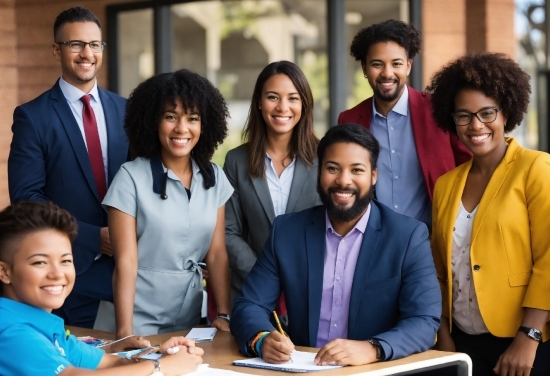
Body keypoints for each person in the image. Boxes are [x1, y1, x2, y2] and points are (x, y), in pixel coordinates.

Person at [230, 124, 441, 366]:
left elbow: (424, 321)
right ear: (320, 172)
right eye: (333, 168)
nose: (343, 180)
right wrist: (262, 339)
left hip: (374, 371)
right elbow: (249, 305)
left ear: (373, 176)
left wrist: (373, 349)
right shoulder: (287, 232)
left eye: (357, 170)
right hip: (305, 369)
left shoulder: (407, 236)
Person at [427, 53, 550, 376]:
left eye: (486, 113)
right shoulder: (446, 184)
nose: (475, 125)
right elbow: (439, 269)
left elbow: (549, 258)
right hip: (461, 341)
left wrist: (529, 337)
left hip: (522, 342)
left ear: (506, 112)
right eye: (464, 116)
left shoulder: (535, 168)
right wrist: (443, 335)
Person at [7, 7, 128, 328]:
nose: (87, 53)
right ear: (56, 50)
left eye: (95, 44)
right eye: (75, 44)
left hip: (132, 269)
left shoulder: (128, 111)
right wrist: (93, 237)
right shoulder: (33, 117)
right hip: (72, 271)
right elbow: (27, 199)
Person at [96, 69, 233, 338]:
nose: (182, 129)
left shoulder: (215, 177)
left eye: (192, 119)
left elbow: (216, 254)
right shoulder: (130, 178)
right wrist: (125, 333)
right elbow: (125, 262)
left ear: (204, 125)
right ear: (153, 122)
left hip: (189, 317)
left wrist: (225, 315)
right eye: (171, 117)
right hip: (135, 316)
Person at [0, 201, 204, 376]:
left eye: (65, 260)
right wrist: (160, 367)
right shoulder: (12, 330)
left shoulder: (43, 326)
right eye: (40, 263)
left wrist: (161, 355)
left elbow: (111, 364)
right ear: (4, 272)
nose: (57, 274)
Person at [338, 19, 471, 227]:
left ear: (408, 66)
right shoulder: (350, 120)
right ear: (364, 68)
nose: (387, 73)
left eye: (396, 63)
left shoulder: (439, 110)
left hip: (432, 240)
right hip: (376, 241)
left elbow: (470, 167)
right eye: (377, 64)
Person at [224, 61, 320, 307]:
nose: (283, 107)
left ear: (304, 104)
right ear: (259, 101)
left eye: (293, 98)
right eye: (273, 97)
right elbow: (228, 231)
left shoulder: (326, 159)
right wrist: (265, 277)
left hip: (313, 292)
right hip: (253, 293)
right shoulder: (236, 161)